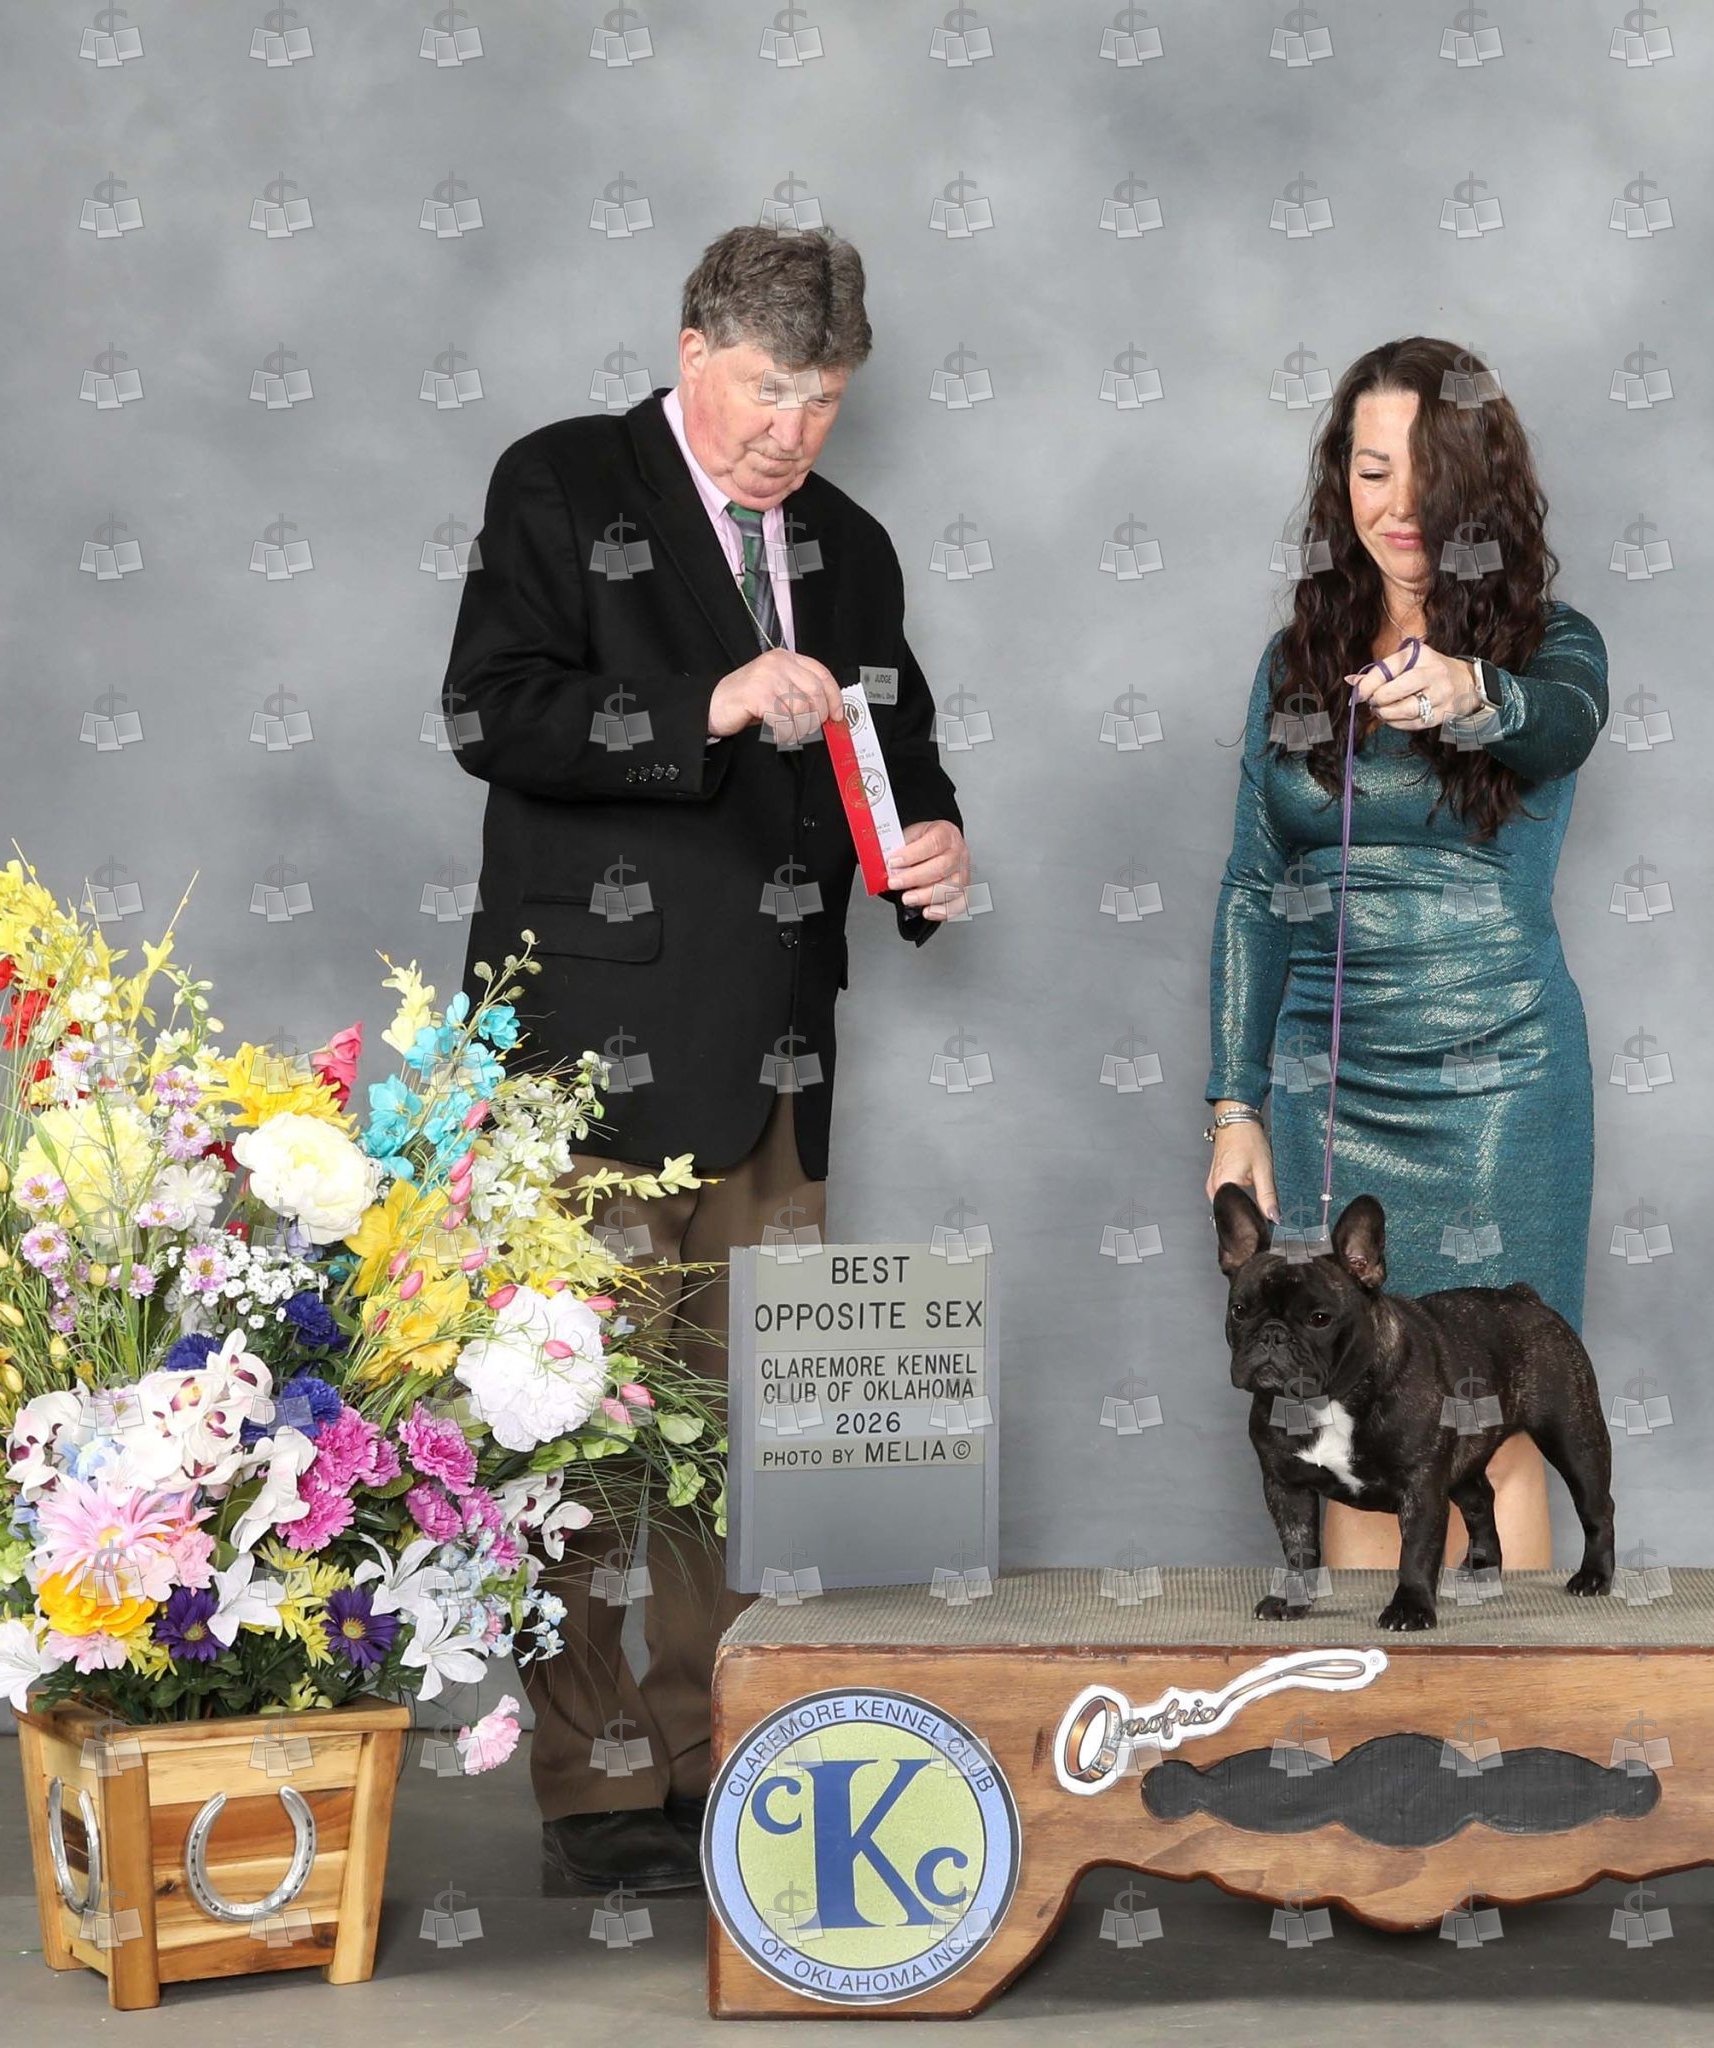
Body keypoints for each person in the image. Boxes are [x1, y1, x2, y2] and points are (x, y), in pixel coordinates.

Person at [440, 223, 969, 1894]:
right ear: (690, 353)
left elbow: (897, 742)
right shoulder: (559, 482)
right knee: (578, 1429)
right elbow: (491, 713)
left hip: (780, 1063)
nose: (788, 431)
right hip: (586, 1056)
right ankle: (595, 1789)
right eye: (763, 388)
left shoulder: (850, 543)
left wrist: (935, 846)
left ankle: (702, 1753)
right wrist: (710, 703)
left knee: (736, 1440)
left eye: (823, 399)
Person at [1202, 335, 1607, 1583]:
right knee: (1338, 1416)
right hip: (1328, 1086)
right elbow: (1250, 886)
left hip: (1498, 1086)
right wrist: (1234, 1104)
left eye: (1428, 472)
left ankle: (1506, 1692)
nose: (1399, 505)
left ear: (1482, 480)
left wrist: (1473, 692)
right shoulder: (1294, 660)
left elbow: (1562, 724)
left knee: (1487, 1424)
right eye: (1372, 471)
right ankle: (1380, 1708)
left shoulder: (1555, 644)